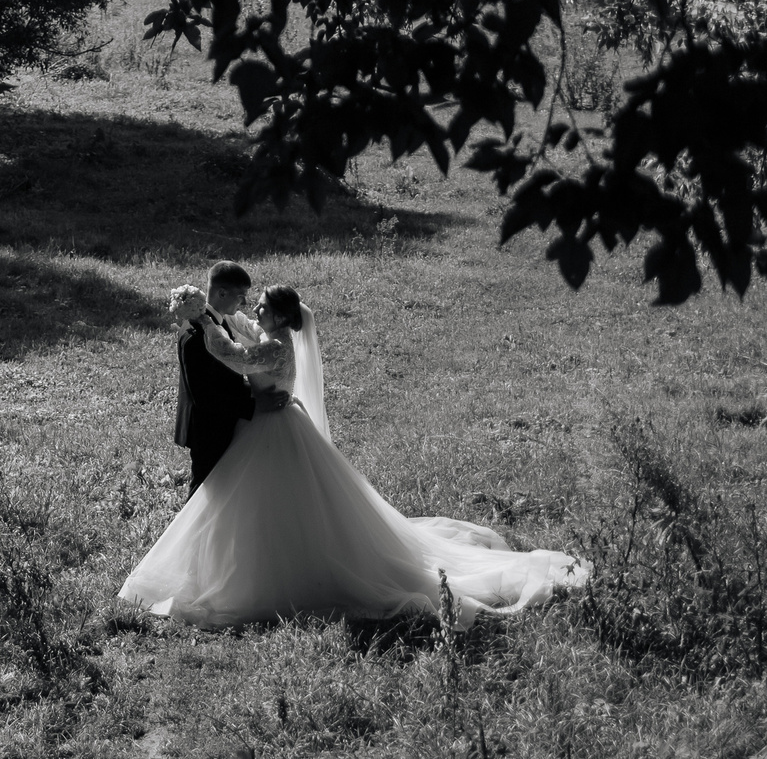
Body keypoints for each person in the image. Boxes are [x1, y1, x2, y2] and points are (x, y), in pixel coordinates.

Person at [120, 282, 590, 627]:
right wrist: (211, 311)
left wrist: (204, 321)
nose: (253, 310)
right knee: (259, 503)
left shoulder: (275, 348)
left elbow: (234, 356)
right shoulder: (272, 337)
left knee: (273, 502)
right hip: (272, 425)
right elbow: (241, 330)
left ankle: (281, 575)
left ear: (280, 318)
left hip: (276, 430)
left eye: (261, 306)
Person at [172, 260, 258, 494]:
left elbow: (222, 376)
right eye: (241, 296)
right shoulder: (198, 334)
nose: (245, 302)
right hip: (208, 429)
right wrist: (255, 405)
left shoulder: (214, 322)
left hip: (217, 423)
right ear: (221, 293)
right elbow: (205, 396)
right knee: (204, 492)